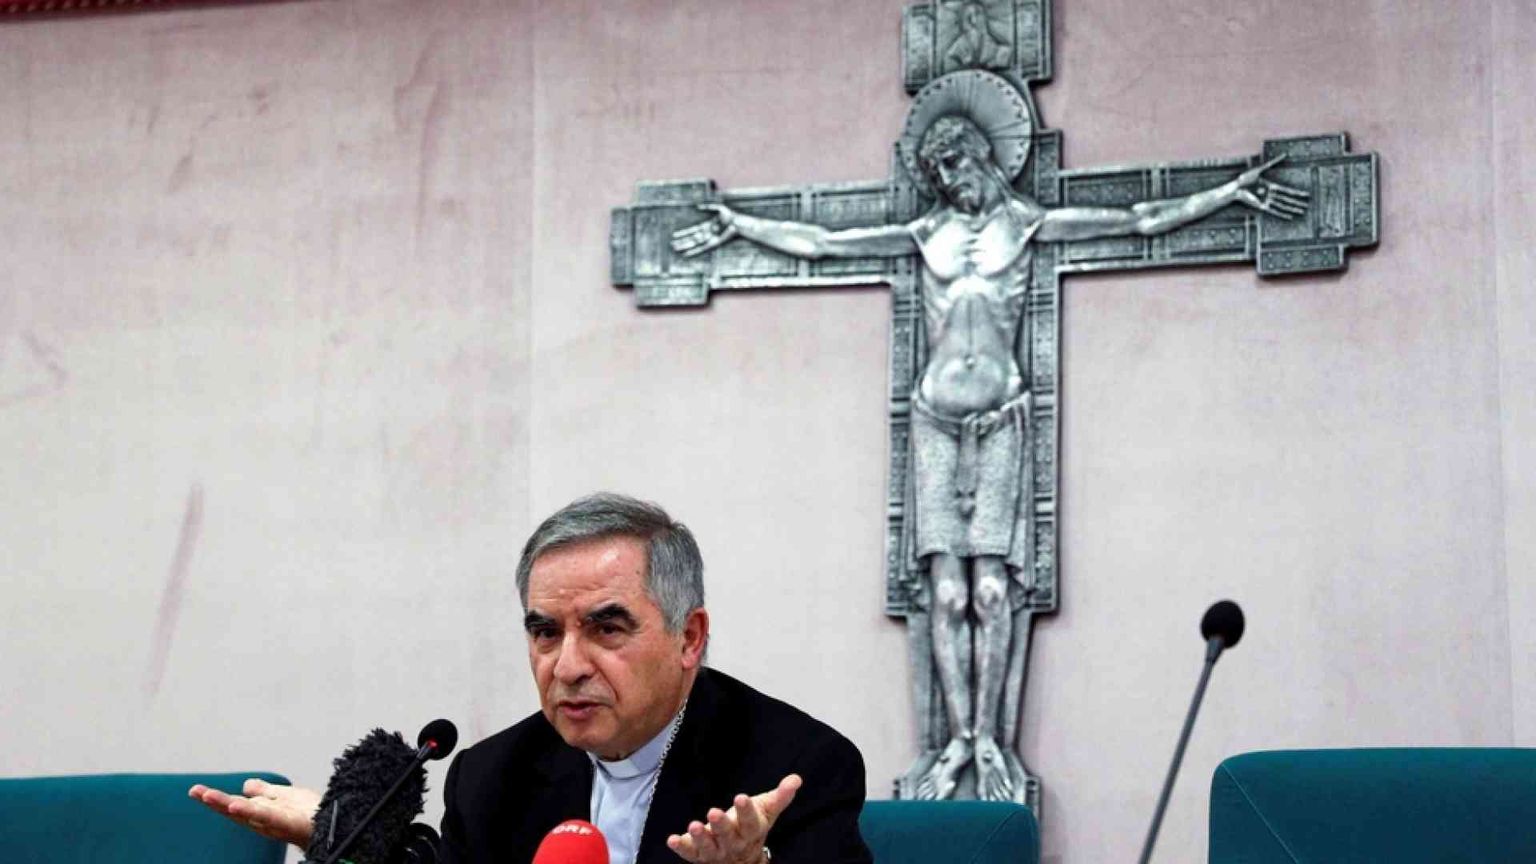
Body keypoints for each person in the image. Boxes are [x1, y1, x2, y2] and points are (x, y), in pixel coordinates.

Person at [671, 112, 1306, 804]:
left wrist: (1233, 192)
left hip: (1000, 419)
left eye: (958, 168)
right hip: (935, 422)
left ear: (984, 159)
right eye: (939, 174)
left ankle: (987, 740)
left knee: (994, 591)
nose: (951, 184)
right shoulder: (925, 234)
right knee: (945, 593)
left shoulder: (1027, 224)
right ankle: (957, 743)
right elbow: (822, 242)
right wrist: (738, 224)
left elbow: (1141, 220)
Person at [191, 493, 873, 864]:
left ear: (688, 637)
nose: (568, 665)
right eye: (544, 631)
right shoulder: (493, 775)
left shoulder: (794, 769)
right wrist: (352, 841)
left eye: (607, 628)